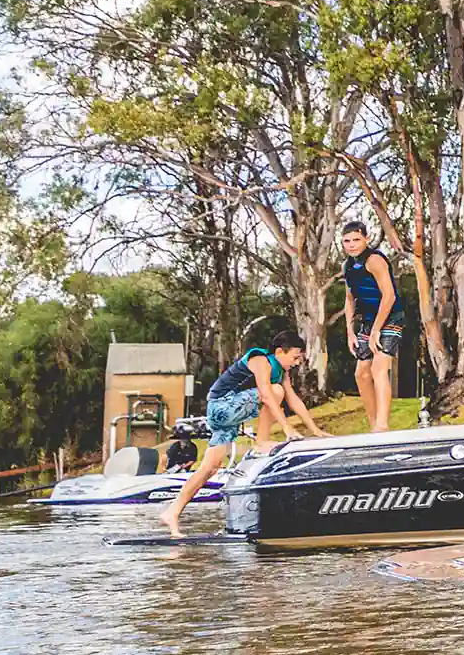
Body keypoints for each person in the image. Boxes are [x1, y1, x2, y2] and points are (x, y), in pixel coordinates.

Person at [161, 333, 322, 537]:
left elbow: (294, 400)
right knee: (276, 391)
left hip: (230, 416)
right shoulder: (260, 360)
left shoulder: (281, 370)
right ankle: (261, 441)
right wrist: (287, 429)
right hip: (221, 407)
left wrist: (315, 430)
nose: (298, 363)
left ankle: (172, 512)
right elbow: (266, 395)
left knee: (210, 468)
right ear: (280, 351)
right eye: (295, 357)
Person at [338, 220, 405, 430]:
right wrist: (350, 332)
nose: (351, 245)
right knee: (361, 374)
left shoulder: (375, 260)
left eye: (356, 240)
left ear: (366, 239)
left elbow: (389, 296)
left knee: (378, 369)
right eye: (347, 241)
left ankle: (382, 426)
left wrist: (377, 330)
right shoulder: (347, 266)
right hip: (367, 320)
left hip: (390, 317)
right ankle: (373, 423)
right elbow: (349, 300)